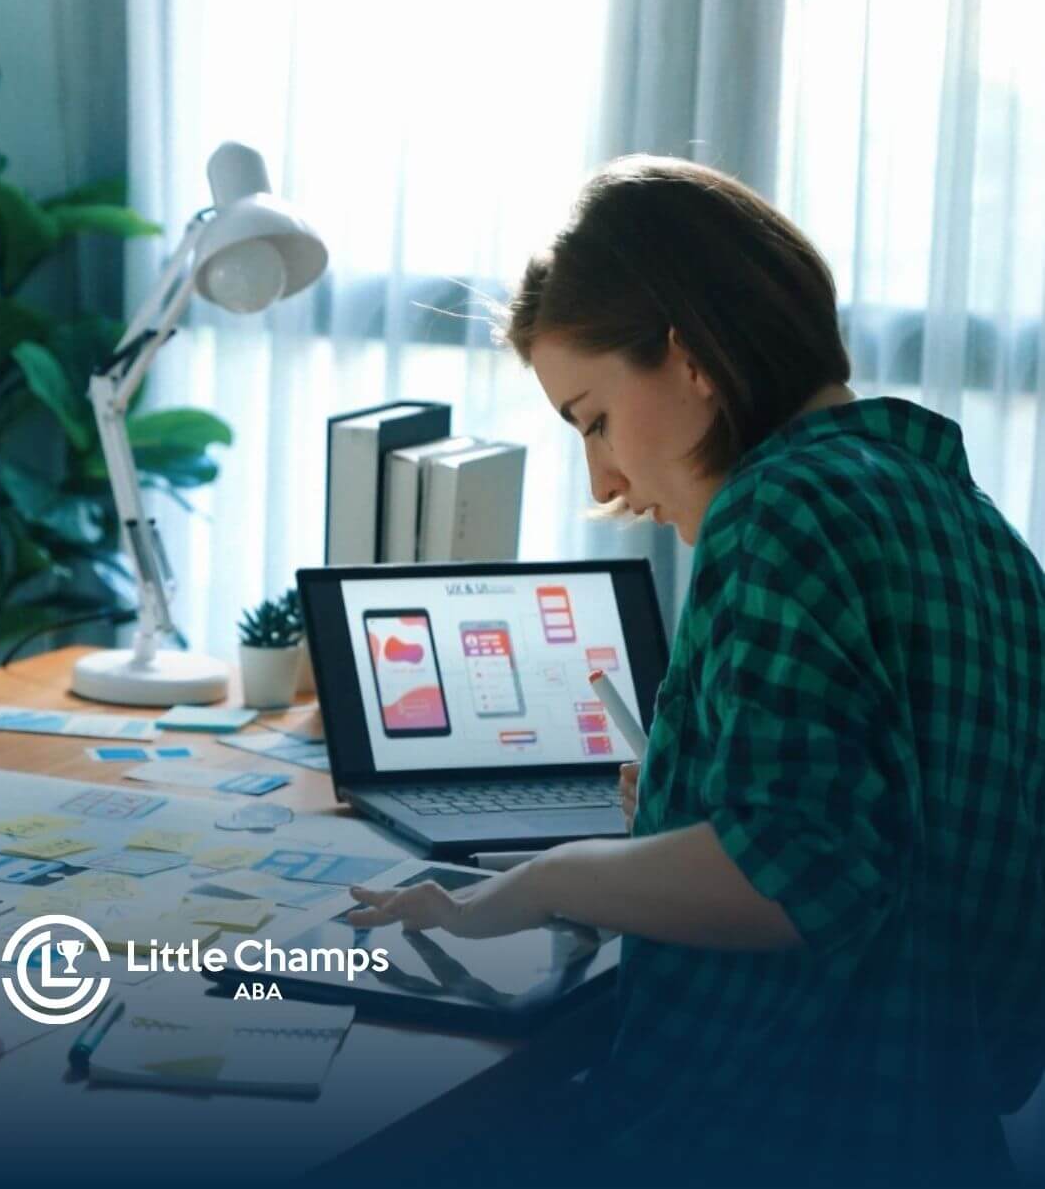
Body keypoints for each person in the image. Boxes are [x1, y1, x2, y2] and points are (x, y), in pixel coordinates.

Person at [346, 156, 1045, 1186]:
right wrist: (684, 819)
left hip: (772, 1129)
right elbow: (904, 838)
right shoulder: (968, 520)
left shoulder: (780, 509)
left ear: (689, 357)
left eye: (592, 418)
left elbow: (796, 873)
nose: (604, 479)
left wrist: (547, 878)